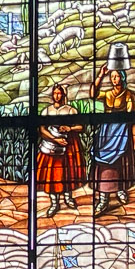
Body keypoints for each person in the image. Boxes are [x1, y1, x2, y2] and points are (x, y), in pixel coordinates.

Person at [90, 67, 135, 216]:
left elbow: (132, 119)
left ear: (122, 78)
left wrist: (134, 137)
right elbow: (93, 94)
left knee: (119, 163)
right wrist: (100, 75)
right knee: (103, 163)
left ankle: (120, 190)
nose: (114, 79)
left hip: (121, 131)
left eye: (117, 76)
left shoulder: (129, 95)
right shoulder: (107, 93)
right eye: (112, 76)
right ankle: (103, 198)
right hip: (106, 132)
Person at [36, 85, 84, 216]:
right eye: (54, 93)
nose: (57, 96)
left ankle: (68, 198)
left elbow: (80, 126)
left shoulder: (71, 110)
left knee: (68, 173)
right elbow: (42, 130)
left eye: (59, 93)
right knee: (52, 176)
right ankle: (54, 203)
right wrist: (55, 140)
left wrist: (70, 129)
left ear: (63, 95)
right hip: (51, 146)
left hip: (68, 146)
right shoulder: (46, 111)